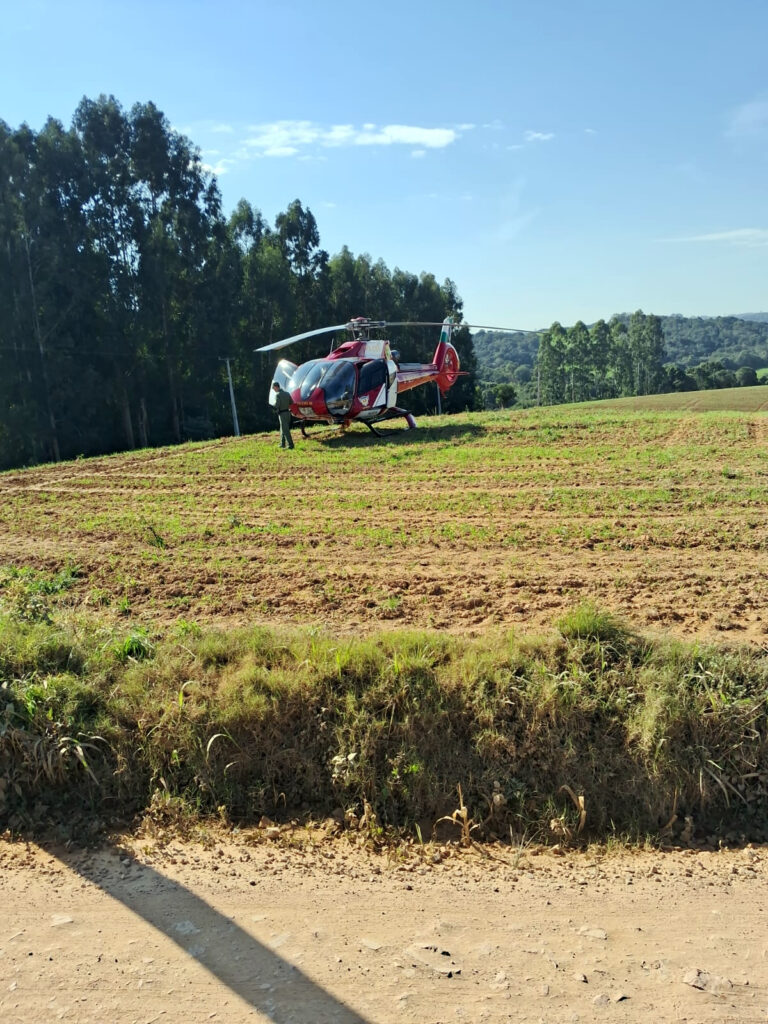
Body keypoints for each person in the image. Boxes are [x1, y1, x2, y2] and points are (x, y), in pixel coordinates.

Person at [272, 381, 294, 449]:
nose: (273, 389)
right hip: (288, 413)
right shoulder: (287, 393)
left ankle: (291, 445)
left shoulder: (278, 395)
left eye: (273, 388)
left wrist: (273, 406)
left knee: (285, 430)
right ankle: (282, 444)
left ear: (276, 387)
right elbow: (291, 402)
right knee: (283, 429)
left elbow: (277, 405)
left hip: (282, 414)